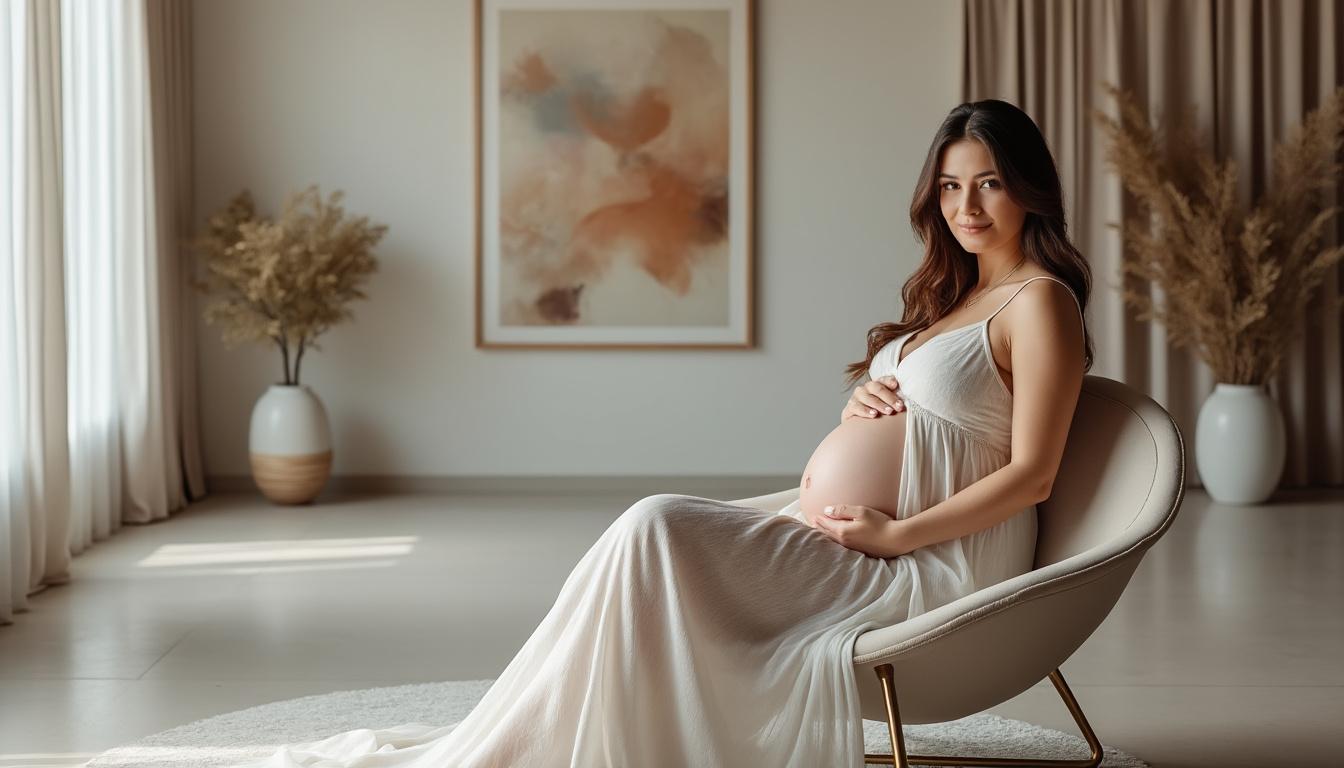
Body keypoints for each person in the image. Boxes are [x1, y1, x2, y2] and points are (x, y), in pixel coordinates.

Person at [251, 98, 1093, 768]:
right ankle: (524, 744)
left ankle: (529, 751)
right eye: (950, 186)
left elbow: (1033, 475)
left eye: (986, 183)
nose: (966, 206)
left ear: (1027, 185)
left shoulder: (1040, 302)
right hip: (864, 539)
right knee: (635, 549)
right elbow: (939, 414)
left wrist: (897, 527)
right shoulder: (951, 300)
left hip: (928, 565)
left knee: (653, 526)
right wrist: (860, 407)